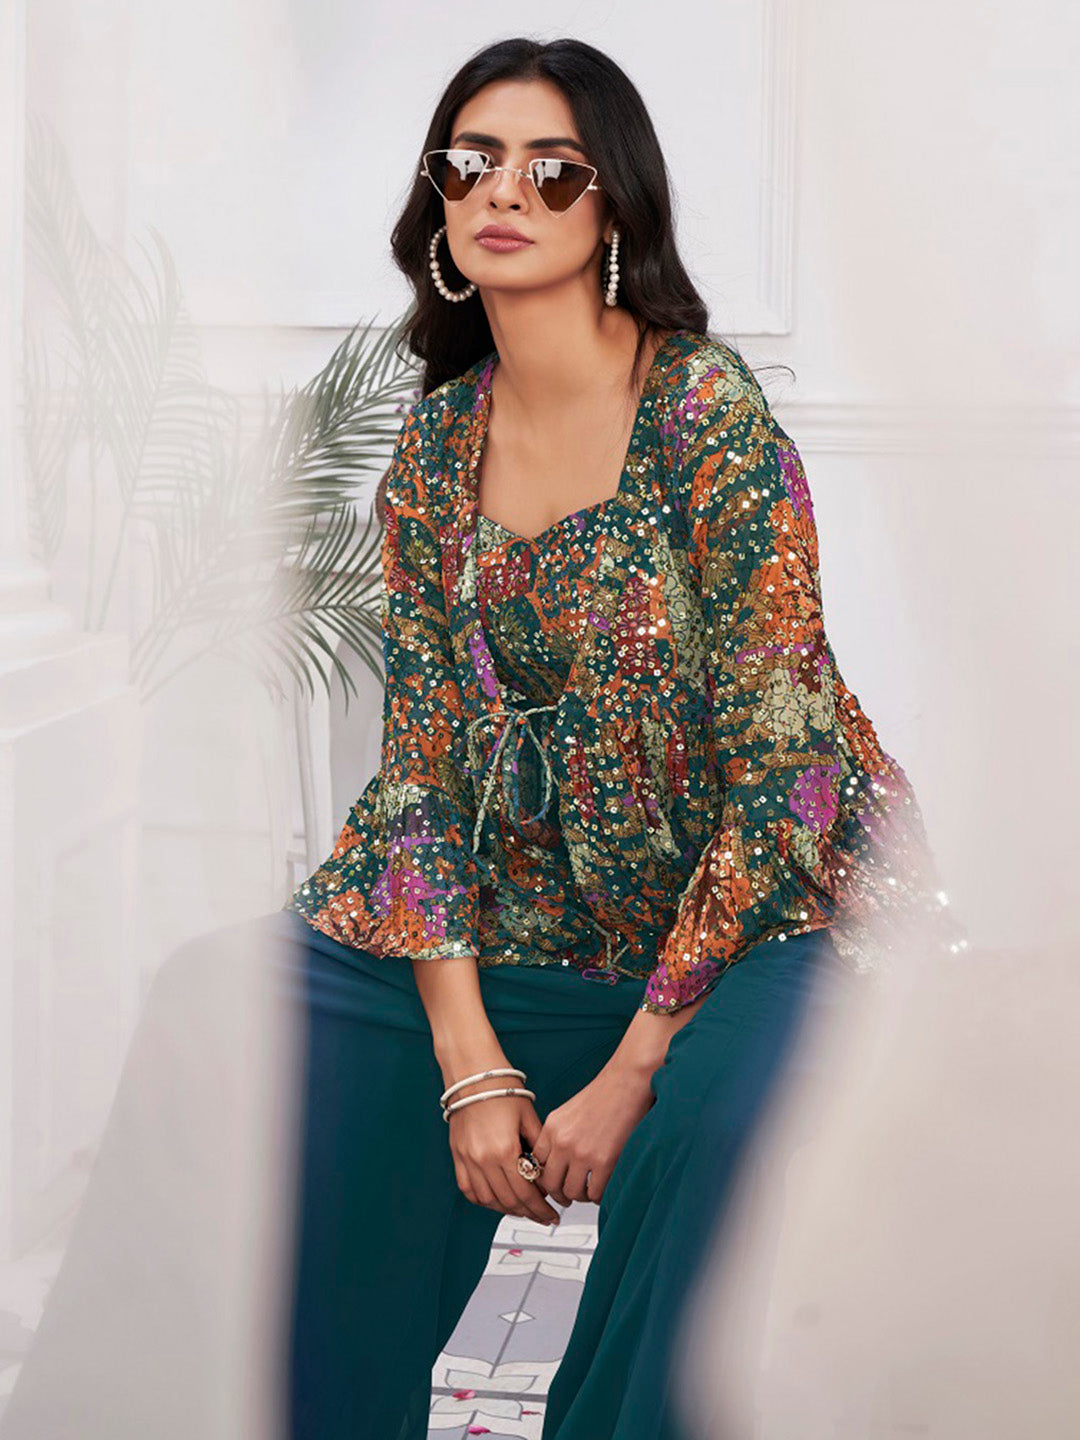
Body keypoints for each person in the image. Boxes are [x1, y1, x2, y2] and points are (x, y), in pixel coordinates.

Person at [1, 35, 961, 1440]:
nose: (505, 189)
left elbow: (787, 776)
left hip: (768, 914)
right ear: (439, 202)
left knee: (715, 1136)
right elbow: (423, 775)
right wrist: (471, 1064)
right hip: (533, 910)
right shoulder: (437, 447)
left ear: (615, 205)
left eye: (553, 169)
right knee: (226, 1004)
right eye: (473, 161)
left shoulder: (707, 415)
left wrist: (631, 1072)